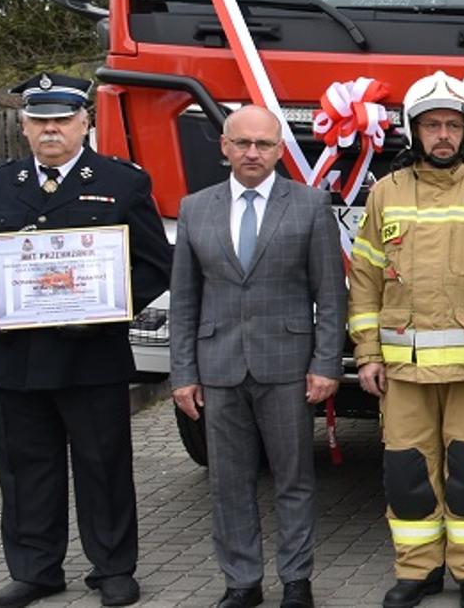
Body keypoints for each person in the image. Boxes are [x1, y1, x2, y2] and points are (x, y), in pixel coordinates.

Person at [0, 73, 173, 608]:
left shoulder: (123, 183)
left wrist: (106, 311)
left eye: (62, 119)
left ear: (84, 123)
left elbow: (155, 266)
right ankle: (35, 570)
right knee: (26, 470)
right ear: (24, 128)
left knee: (104, 466)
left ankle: (114, 568)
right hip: (16, 360)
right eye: (39, 120)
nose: (51, 129)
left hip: (92, 357)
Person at [347, 71, 464, 608]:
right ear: (412, 131)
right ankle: (418, 571)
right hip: (403, 372)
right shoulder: (385, 194)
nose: (442, 135)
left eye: (452, 125)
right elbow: (366, 280)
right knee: (407, 474)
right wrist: (368, 355)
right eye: (431, 125)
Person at [167, 106, 345, 608]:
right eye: (242, 143)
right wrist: (183, 373)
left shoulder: (310, 206)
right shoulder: (195, 207)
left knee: (293, 478)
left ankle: (296, 580)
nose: (252, 153)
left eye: (264, 145)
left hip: (288, 366)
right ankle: (241, 582)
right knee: (229, 483)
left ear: (279, 149)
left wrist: (327, 364)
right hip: (218, 367)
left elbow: (330, 296)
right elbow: (184, 299)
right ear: (224, 146)